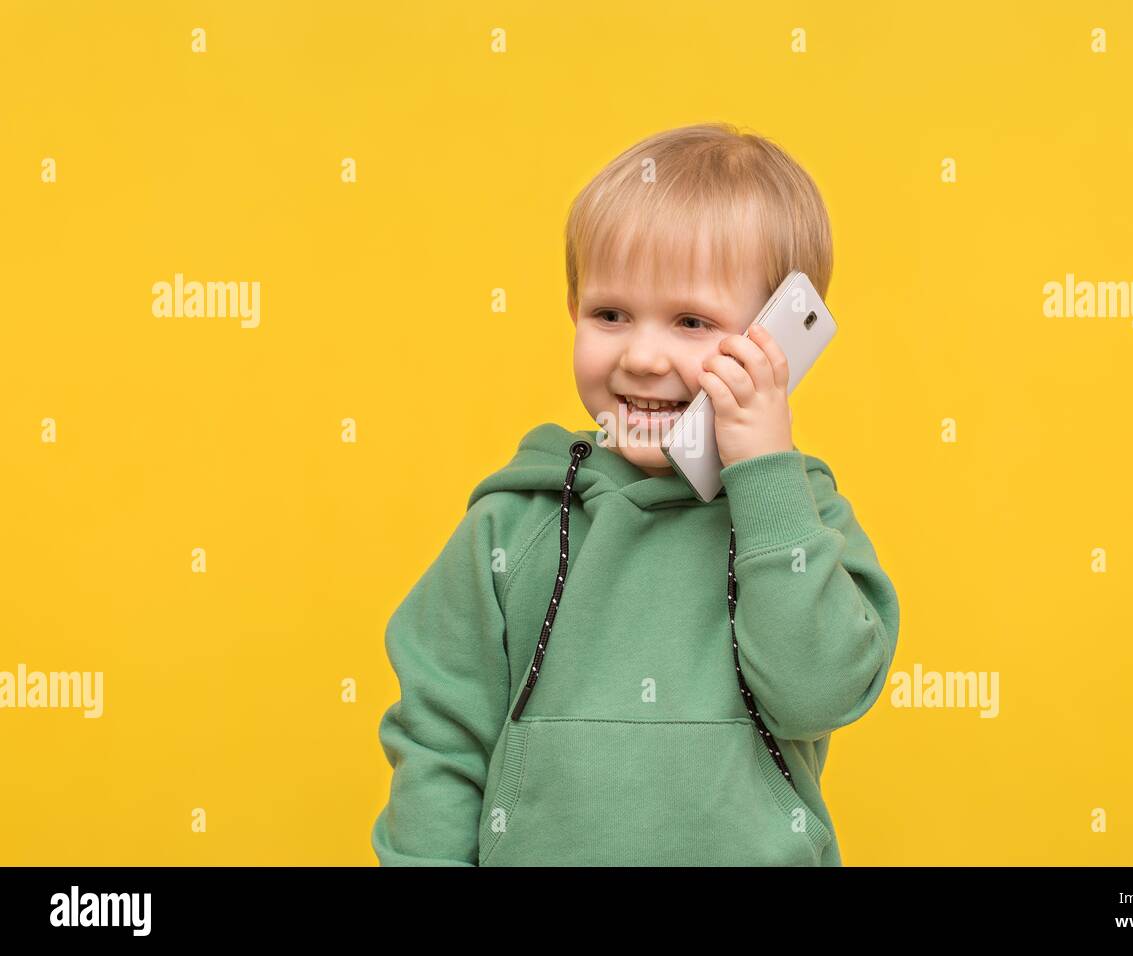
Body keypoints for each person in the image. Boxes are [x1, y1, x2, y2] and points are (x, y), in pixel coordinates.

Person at [371, 122, 901, 866]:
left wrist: (765, 481)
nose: (642, 357)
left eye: (692, 322)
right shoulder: (512, 523)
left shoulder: (799, 518)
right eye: (609, 314)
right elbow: (440, 736)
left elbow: (817, 695)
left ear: (777, 342)